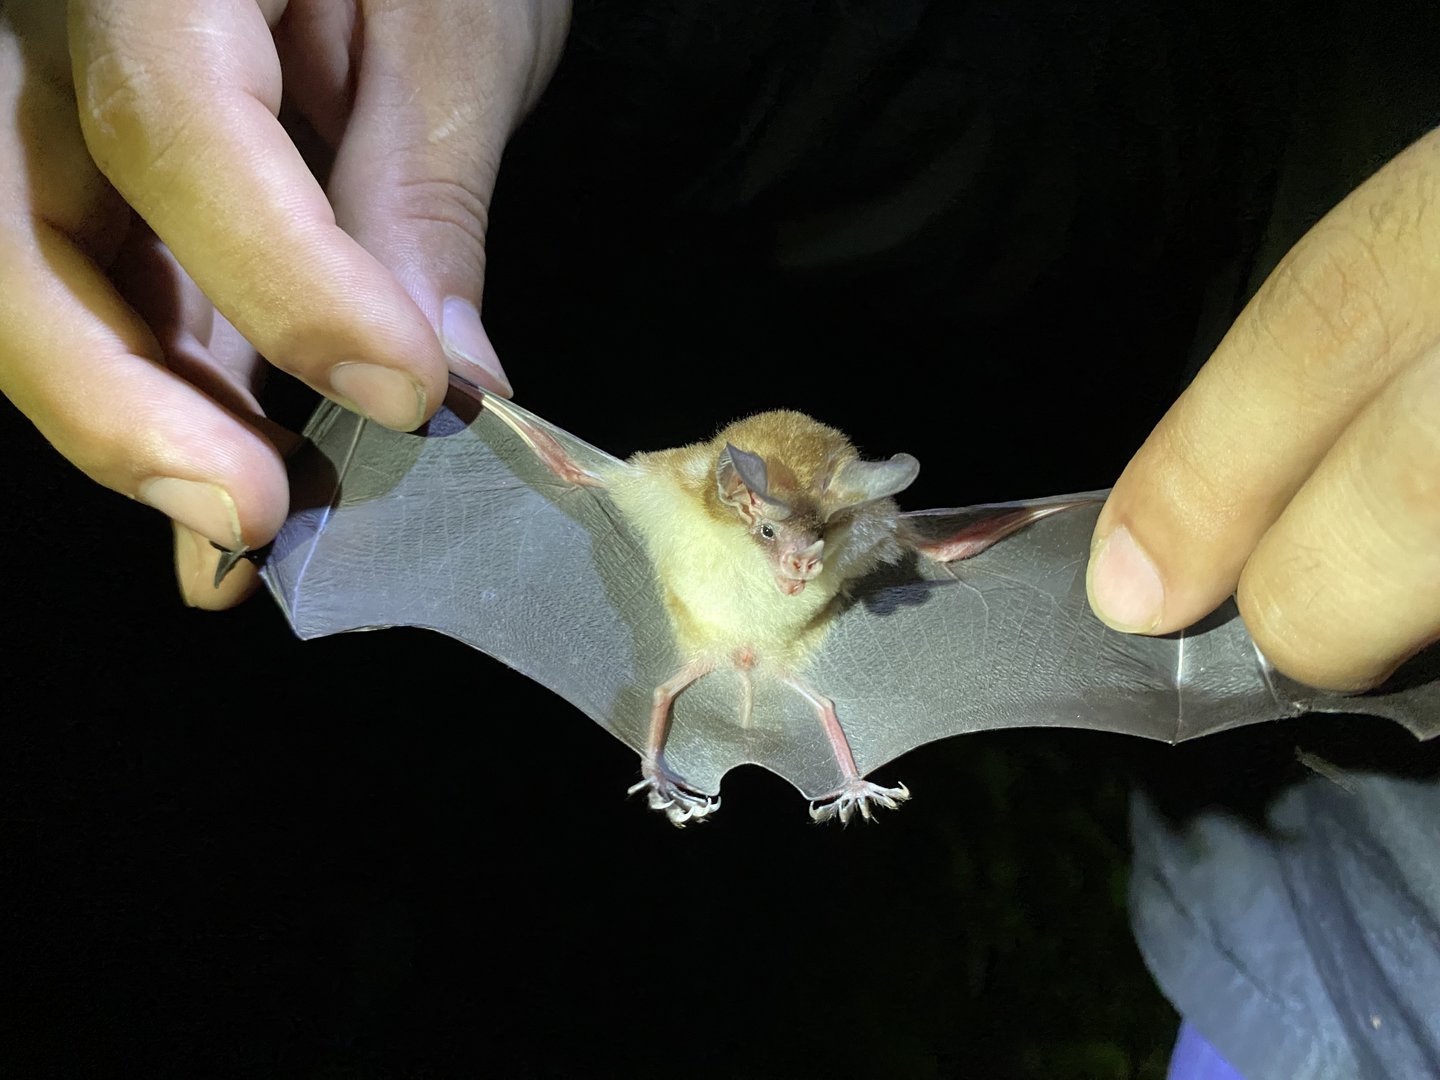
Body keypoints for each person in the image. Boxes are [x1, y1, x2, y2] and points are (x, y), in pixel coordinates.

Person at [2, 3, 1436, 1076]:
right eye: (790, 539)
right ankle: (677, 749)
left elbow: (893, 547)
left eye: (822, 541)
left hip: (1318, 910)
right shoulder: (638, 497)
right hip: (1316, 950)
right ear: (743, 505)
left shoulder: (857, 538)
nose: (808, 562)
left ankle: (823, 758)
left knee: (945, 612)